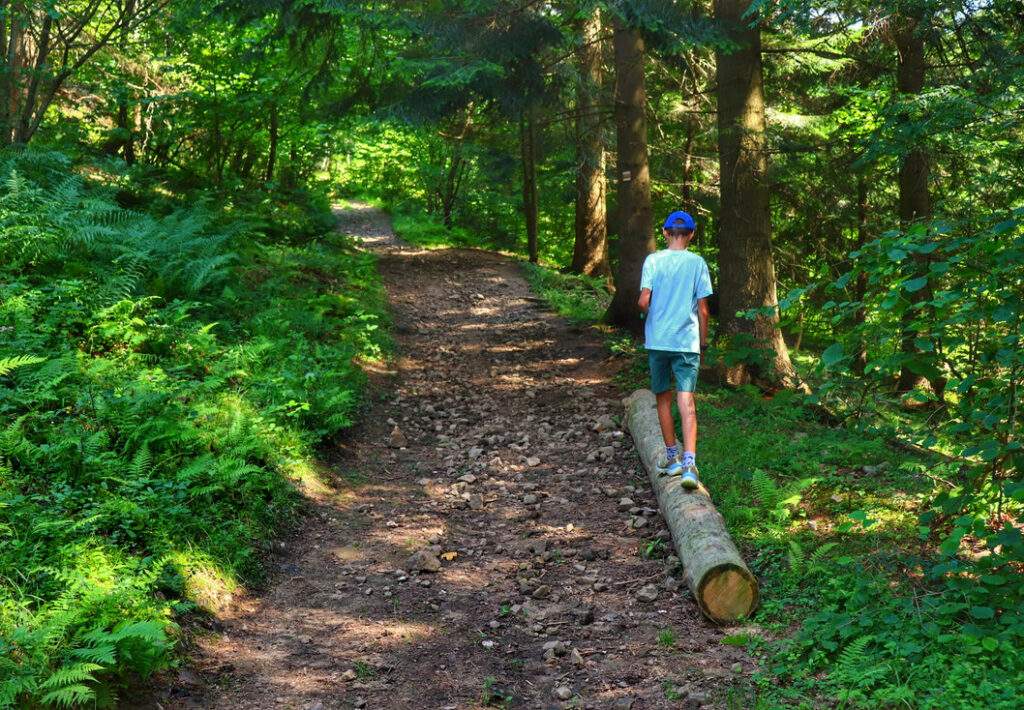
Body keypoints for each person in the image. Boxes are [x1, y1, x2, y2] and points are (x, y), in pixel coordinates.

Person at [637, 210, 712, 490]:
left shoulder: (653, 260)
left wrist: (650, 317)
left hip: (658, 341)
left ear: (665, 233)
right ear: (691, 234)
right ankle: (690, 465)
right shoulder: (698, 263)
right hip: (686, 343)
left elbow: (643, 301)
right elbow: (703, 310)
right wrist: (702, 343)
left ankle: (672, 459)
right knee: (686, 400)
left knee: (663, 399)